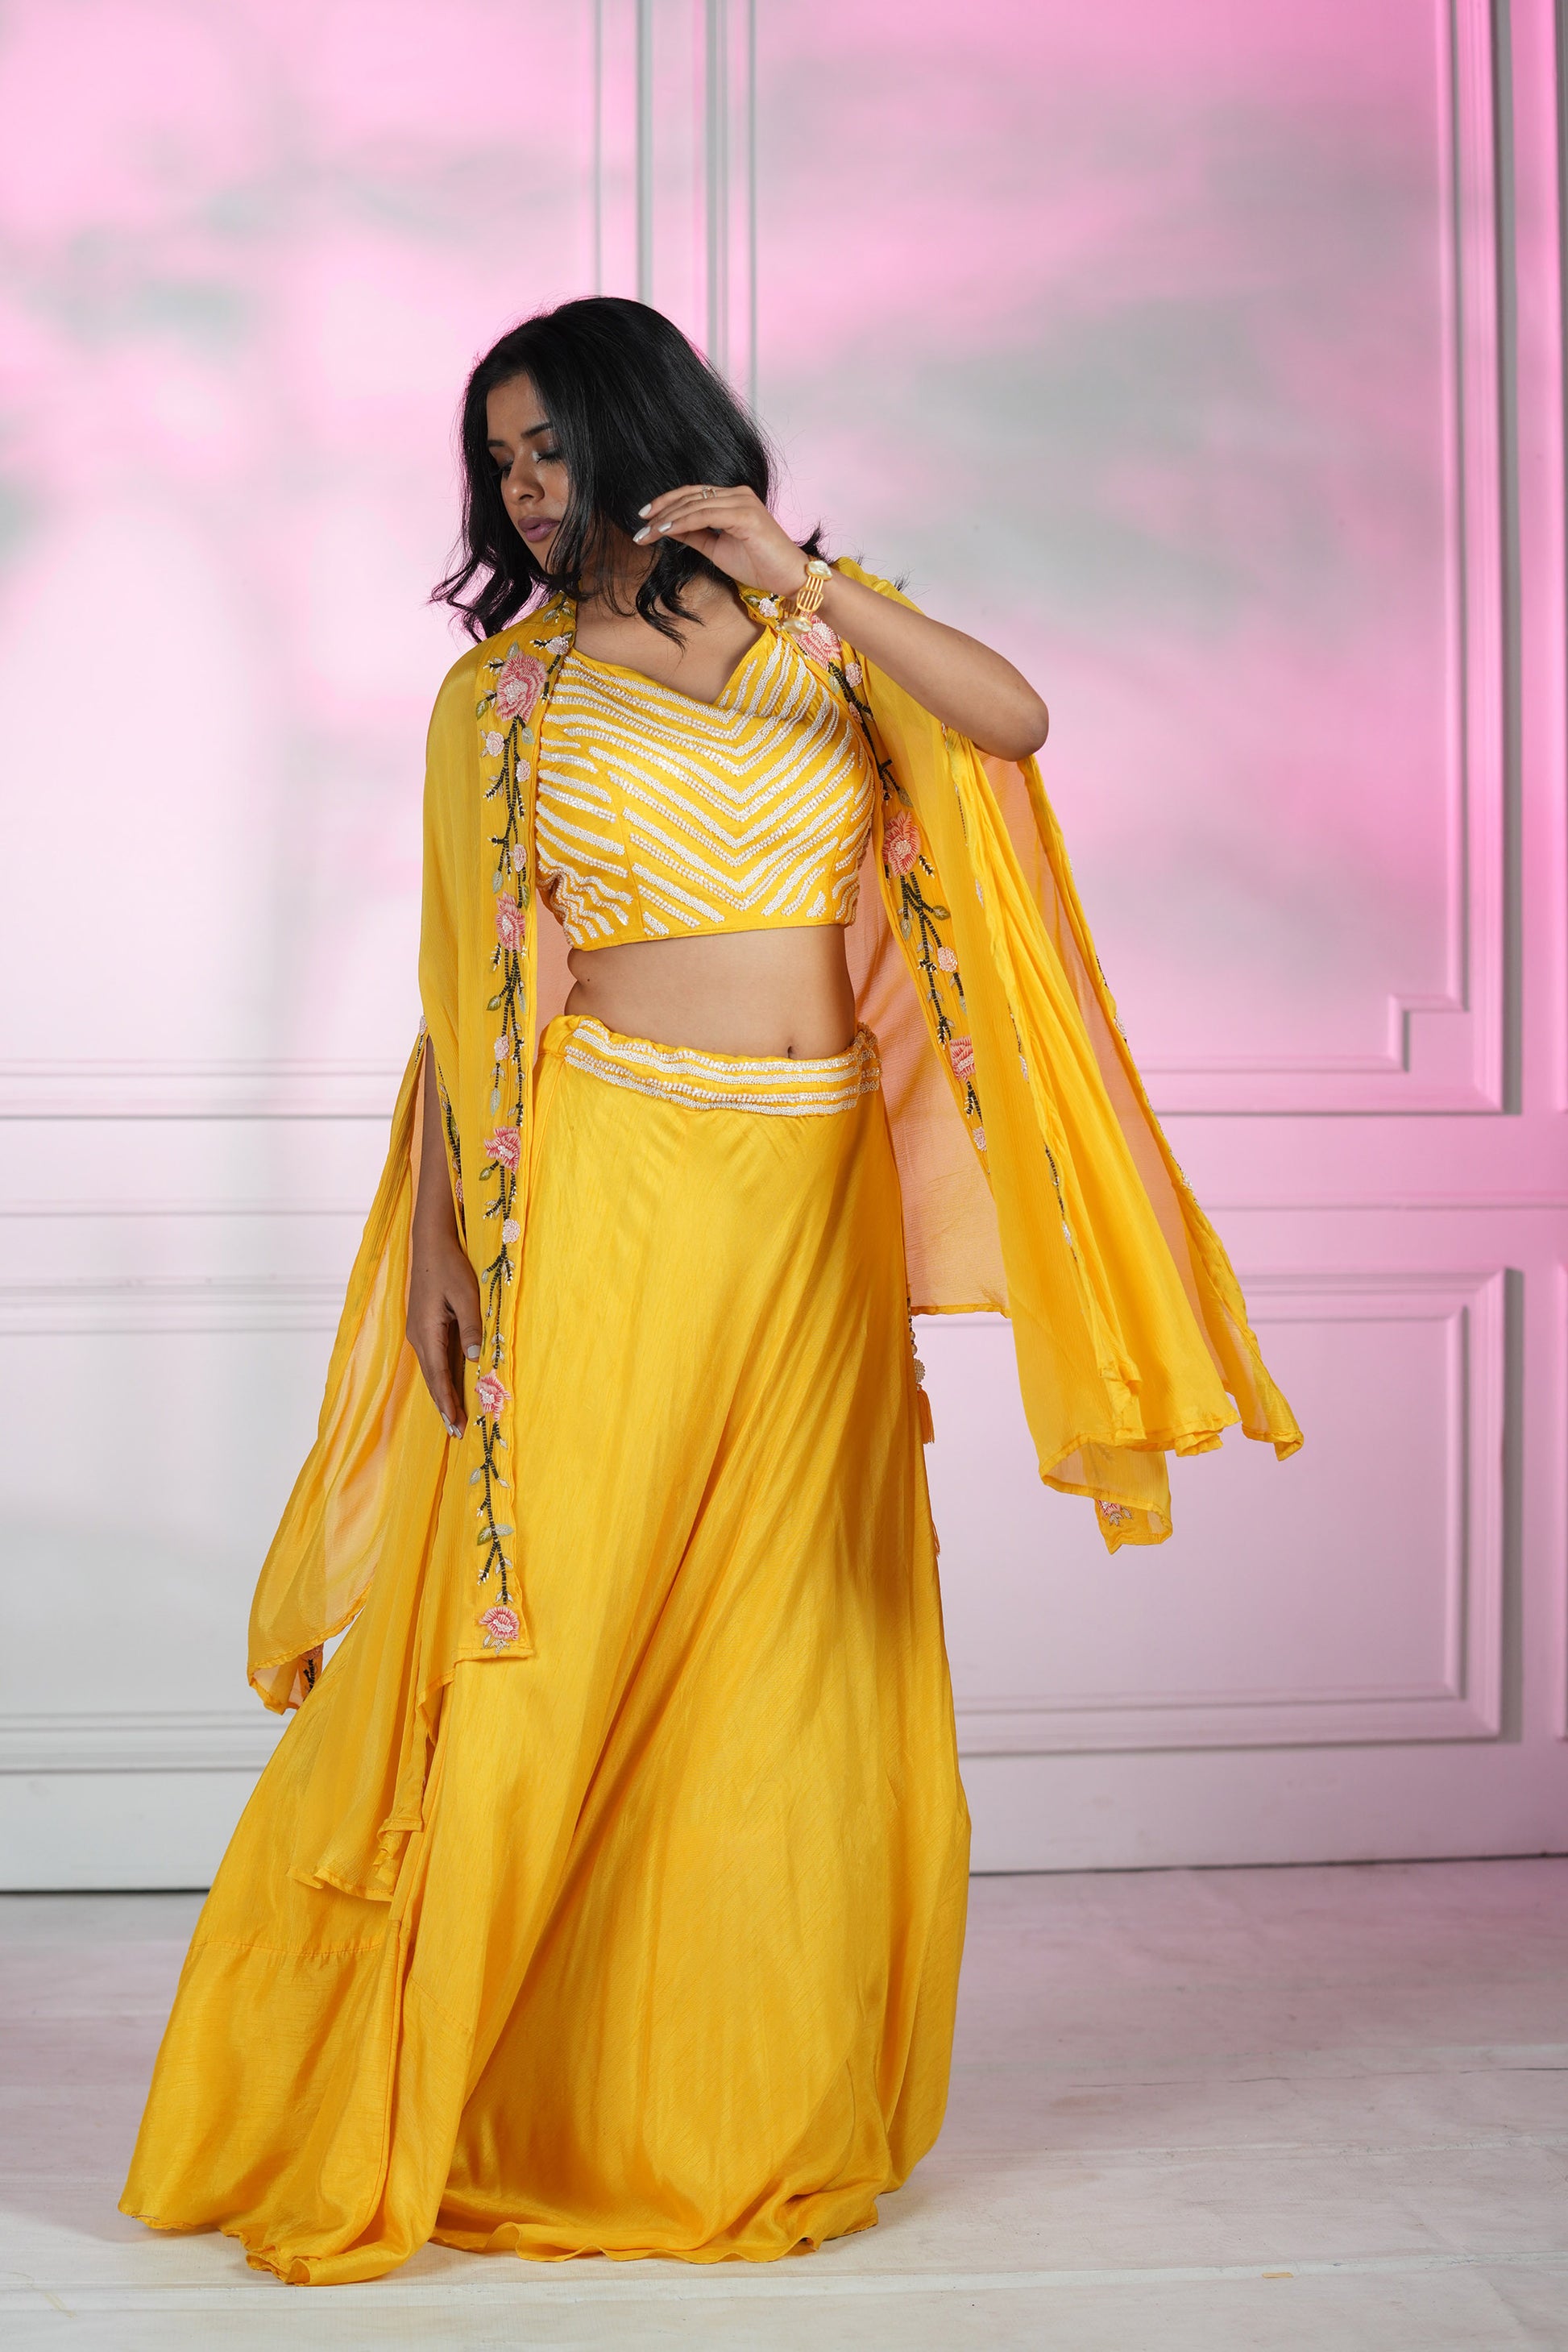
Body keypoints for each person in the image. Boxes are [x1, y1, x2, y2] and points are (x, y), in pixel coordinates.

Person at [121, 297, 1300, 2284]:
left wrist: (799, 573)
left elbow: (1012, 723)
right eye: (498, 458)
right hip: (609, 1184)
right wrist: (441, 1247)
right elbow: (466, 997)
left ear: (647, 430)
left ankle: (711, 2111)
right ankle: (429, 2081)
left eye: (550, 444)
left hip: (812, 1195)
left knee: (785, 1645)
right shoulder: (503, 698)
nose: (524, 486)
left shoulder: (829, 640)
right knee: (548, 1619)